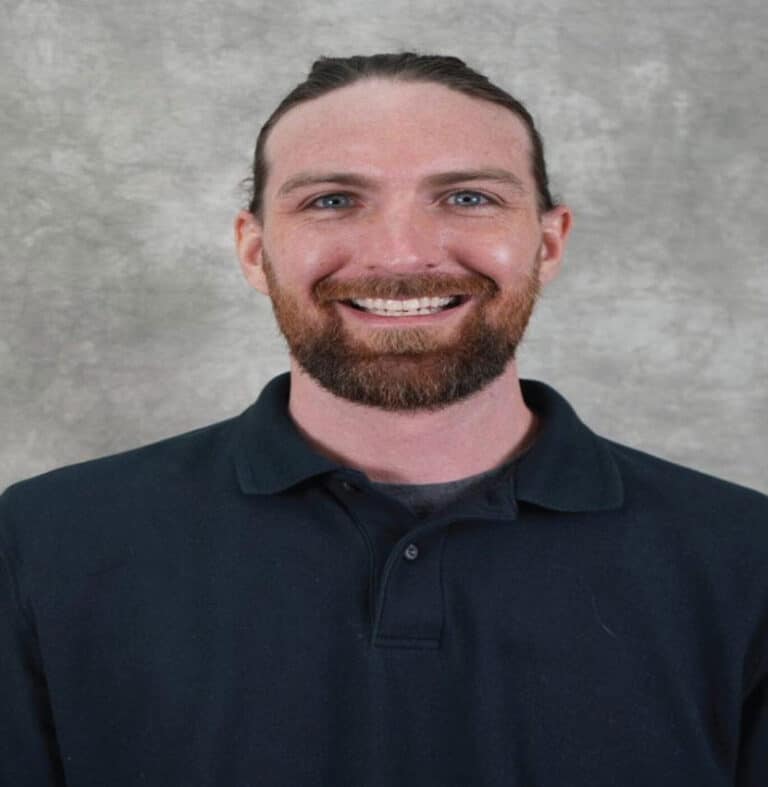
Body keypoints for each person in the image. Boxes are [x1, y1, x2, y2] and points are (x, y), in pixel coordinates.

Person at [1, 52, 766, 787]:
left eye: (468, 197)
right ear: (254, 251)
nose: (400, 255)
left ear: (548, 242)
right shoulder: (45, 542)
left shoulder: (746, 558)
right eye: (333, 200)